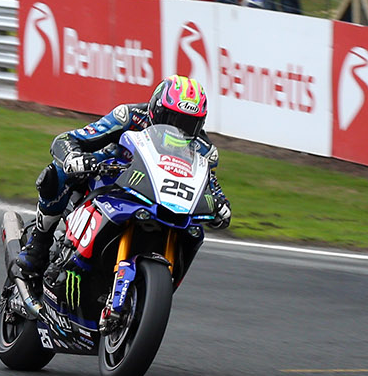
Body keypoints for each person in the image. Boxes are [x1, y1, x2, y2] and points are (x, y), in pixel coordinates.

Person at [15, 75, 231, 277]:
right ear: (156, 110)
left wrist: (220, 204)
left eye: (187, 125)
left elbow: (208, 182)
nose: (177, 130)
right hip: (112, 180)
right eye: (171, 119)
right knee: (56, 173)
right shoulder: (129, 117)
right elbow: (67, 139)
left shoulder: (204, 149)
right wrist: (74, 157)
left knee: (194, 227)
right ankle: (39, 243)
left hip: (161, 196)